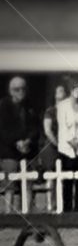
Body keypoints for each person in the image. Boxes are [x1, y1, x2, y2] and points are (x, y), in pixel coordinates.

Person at [0, 76, 38, 211]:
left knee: (29, 180)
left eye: (23, 89)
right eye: (17, 89)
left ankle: (27, 213)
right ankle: (8, 214)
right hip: (9, 151)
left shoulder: (30, 105)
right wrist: (17, 142)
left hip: (27, 150)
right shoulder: (3, 106)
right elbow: (3, 130)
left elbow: (35, 128)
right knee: (9, 181)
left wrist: (27, 141)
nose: (20, 92)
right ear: (10, 91)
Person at [56, 81, 78, 212]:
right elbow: (63, 129)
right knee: (67, 180)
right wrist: (74, 145)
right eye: (76, 89)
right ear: (71, 90)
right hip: (67, 148)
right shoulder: (62, 106)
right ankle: (66, 209)